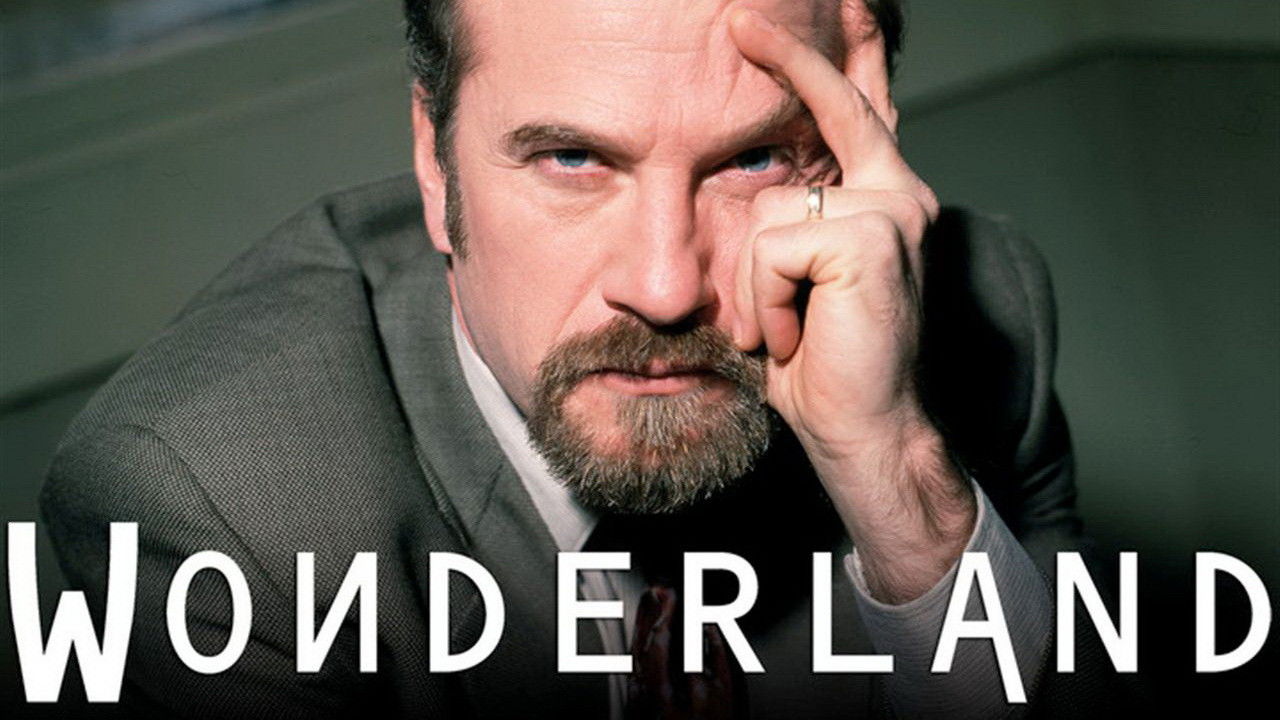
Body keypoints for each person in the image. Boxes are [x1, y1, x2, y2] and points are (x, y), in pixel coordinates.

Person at [39, 0, 1124, 718]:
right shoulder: (215, 508)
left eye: (753, 157)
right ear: (434, 158)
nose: (664, 286)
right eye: (571, 158)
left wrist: (893, 472)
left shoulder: (979, 318)